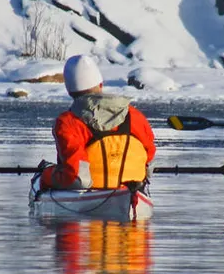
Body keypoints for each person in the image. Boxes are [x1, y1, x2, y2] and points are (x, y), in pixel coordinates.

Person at [39, 55, 156, 190]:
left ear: (69, 91)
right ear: (100, 84)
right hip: (133, 191)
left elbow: (77, 178)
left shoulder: (68, 122)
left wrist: (46, 175)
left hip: (91, 195)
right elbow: (149, 160)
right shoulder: (135, 116)